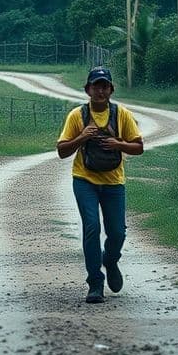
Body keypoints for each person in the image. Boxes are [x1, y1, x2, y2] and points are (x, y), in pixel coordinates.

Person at [56, 66, 144, 303]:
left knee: (117, 232)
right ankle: (95, 283)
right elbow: (62, 151)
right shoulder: (77, 116)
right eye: (96, 86)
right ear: (88, 89)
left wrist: (118, 144)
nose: (100, 90)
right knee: (92, 227)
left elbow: (139, 147)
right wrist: (82, 137)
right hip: (84, 179)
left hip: (114, 182)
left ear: (111, 90)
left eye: (105, 86)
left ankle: (111, 260)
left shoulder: (121, 114)